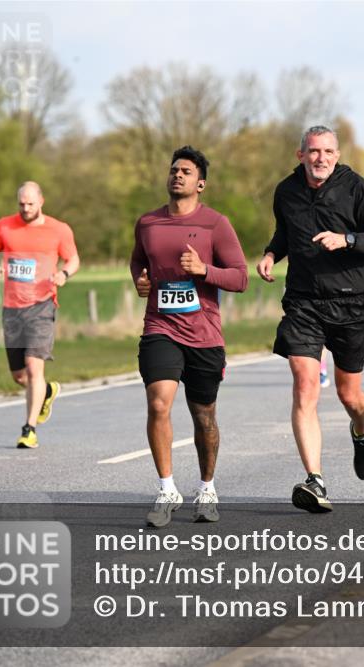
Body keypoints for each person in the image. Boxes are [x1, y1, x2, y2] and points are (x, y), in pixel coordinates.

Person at [258, 126, 364, 513]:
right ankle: (314, 480)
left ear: (337, 154)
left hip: (350, 302)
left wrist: (346, 239)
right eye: (314, 151)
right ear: (301, 155)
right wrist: (271, 254)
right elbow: (285, 233)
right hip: (303, 302)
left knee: (350, 396)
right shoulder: (286, 191)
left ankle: (361, 432)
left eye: (329, 152)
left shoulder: (355, 187)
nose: (321, 158)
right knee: (304, 385)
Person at [131, 146, 249, 527]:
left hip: (204, 334)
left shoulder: (216, 224)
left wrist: (203, 270)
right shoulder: (148, 223)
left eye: (186, 172)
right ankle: (167, 489)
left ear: (201, 184)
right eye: (174, 170)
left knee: (204, 417)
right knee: (158, 404)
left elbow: (241, 278)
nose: (177, 175)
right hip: (160, 327)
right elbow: (138, 259)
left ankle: (207, 487)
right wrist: (140, 280)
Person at [0, 182, 79, 448]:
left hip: (42, 304)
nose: (25, 209)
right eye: (21, 204)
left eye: (30, 204)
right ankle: (47, 391)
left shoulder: (59, 229)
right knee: (19, 376)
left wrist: (64, 273)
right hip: (12, 308)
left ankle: (29, 429)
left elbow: (73, 259)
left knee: (33, 366)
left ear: (41, 202)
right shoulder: (4, 226)